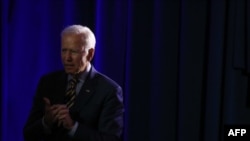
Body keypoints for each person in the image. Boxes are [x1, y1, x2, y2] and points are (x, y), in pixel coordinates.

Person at [23, 25, 124, 141]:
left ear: (90, 54)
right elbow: (28, 134)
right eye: (64, 50)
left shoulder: (109, 90)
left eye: (74, 52)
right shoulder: (48, 83)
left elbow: (111, 139)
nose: (67, 58)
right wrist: (46, 122)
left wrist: (73, 127)